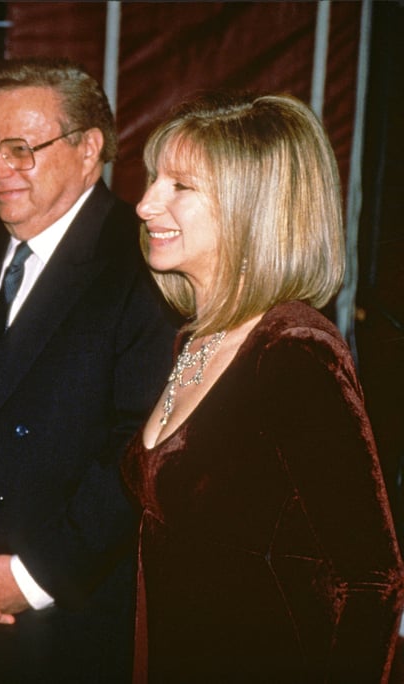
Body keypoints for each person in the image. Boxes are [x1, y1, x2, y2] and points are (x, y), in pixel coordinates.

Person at [121, 92, 404, 681]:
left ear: (252, 209)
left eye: (180, 186)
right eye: (153, 180)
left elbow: (372, 580)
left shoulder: (294, 352)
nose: (145, 204)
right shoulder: (195, 340)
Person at [0, 58, 175, 682]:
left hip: (74, 610)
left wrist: (32, 579)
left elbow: (137, 451)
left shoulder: (145, 265)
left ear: (89, 150)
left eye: (21, 150)